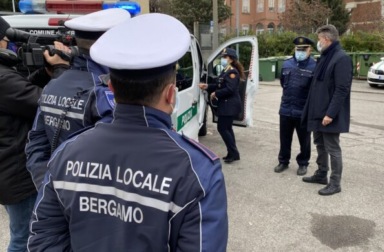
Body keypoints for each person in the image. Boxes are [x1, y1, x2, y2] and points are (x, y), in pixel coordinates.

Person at [27, 13, 228, 252]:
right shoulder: (199, 171)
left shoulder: (66, 153)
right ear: (171, 94)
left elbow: (42, 241)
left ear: (110, 87)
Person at [25, 8, 131, 191]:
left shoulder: (53, 85)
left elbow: (35, 145)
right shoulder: (105, 92)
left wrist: (50, 190)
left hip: (60, 198)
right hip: (98, 205)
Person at [0, 16, 70, 252]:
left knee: (22, 233)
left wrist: (46, 72)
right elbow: (45, 102)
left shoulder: (5, 77)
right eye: (4, 39)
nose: (7, 44)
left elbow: (22, 91)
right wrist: (62, 70)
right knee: (25, 237)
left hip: (9, 170)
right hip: (17, 173)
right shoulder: (2, 79)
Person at [301, 25, 353, 196]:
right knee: (320, 144)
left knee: (333, 148)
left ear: (327, 39)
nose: (318, 42)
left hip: (329, 114)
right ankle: (321, 174)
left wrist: (330, 114)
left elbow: (341, 90)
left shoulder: (341, 58)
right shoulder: (325, 57)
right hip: (317, 112)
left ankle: (335, 183)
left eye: (319, 39)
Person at [274, 36, 316, 176]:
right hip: (286, 108)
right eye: (298, 49)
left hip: (303, 110)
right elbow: (283, 82)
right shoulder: (287, 64)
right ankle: (283, 161)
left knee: (304, 140)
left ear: (310, 50)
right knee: (284, 138)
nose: (300, 52)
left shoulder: (314, 66)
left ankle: (303, 163)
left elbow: (315, 90)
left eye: (304, 49)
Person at [199, 48, 244, 164]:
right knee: (227, 129)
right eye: (223, 57)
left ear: (231, 59)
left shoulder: (232, 72)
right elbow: (219, 85)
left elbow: (230, 89)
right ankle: (232, 153)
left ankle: (234, 153)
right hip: (226, 105)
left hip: (229, 105)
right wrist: (207, 86)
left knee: (222, 128)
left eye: (225, 57)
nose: (223, 59)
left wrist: (216, 93)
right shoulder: (226, 70)